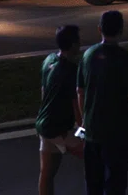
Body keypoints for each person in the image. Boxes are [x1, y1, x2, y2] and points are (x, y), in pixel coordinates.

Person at [77, 11, 128, 195]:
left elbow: (80, 91)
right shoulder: (126, 59)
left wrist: (84, 120)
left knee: (93, 183)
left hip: (91, 131)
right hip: (117, 133)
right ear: (121, 30)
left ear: (99, 29)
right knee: (116, 182)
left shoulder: (88, 55)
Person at [36, 24, 84, 195]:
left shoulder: (49, 60)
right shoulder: (71, 71)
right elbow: (77, 107)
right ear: (72, 45)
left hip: (44, 125)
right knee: (96, 159)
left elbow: (44, 92)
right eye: (78, 41)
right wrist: (84, 131)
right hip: (59, 130)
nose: (80, 44)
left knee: (47, 175)